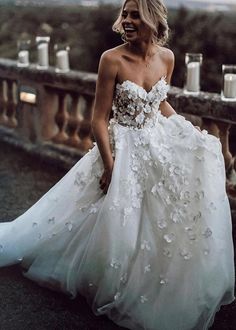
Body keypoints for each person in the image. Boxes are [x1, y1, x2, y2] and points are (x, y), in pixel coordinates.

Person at [0, 0, 234, 329]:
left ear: (152, 19)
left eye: (134, 14)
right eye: (125, 13)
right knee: (116, 219)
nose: (126, 20)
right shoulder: (111, 60)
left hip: (158, 142)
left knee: (164, 215)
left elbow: (160, 102)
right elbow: (98, 120)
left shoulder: (167, 58)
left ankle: (155, 279)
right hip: (122, 146)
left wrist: (187, 131)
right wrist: (111, 166)